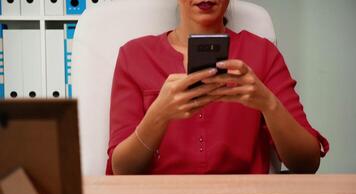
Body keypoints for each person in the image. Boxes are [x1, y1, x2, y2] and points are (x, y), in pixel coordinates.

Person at [106, 0, 329, 175]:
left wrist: (268, 104)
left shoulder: (263, 53)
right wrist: (158, 115)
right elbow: (123, 169)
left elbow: (307, 163)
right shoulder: (134, 55)